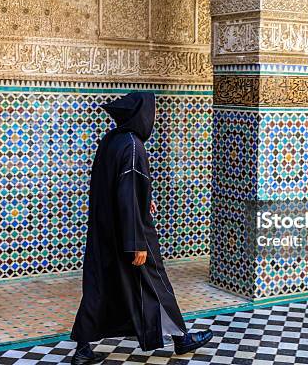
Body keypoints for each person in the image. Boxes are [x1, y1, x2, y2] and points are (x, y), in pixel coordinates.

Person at [70, 92, 213, 365]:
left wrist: (146, 200)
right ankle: (182, 338)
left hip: (106, 231)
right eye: (153, 112)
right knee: (156, 282)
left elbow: (121, 188)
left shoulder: (111, 141)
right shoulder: (134, 146)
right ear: (140, 115)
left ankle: (83, 349)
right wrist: (136, 241)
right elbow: (127, 193)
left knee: (99, 286)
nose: (155, 117)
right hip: (132, 232)